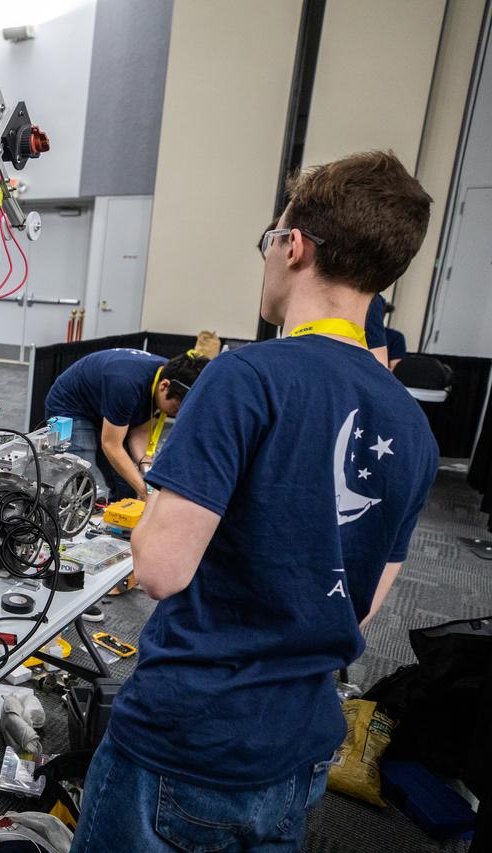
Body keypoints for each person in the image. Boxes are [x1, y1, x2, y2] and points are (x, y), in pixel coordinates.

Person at [71, 152, 438, 853]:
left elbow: (160, 570)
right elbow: (361, 602)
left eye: (270, 240)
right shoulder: (412, 424)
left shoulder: (245, 376)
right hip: (299, 743)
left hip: (191, 739)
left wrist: (158, 505)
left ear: (291, 244)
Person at [45, 349, 209, 500]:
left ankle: (115, 522)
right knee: (83, 482)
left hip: (108, 407)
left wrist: (145, 466)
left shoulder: (169, 375)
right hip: (72, 406)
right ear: (164, 386)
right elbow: (111, 444)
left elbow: (140, 430)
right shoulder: (127, 383)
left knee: (127, 485)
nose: (178, 414)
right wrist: (146, 494)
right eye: (176, 408)